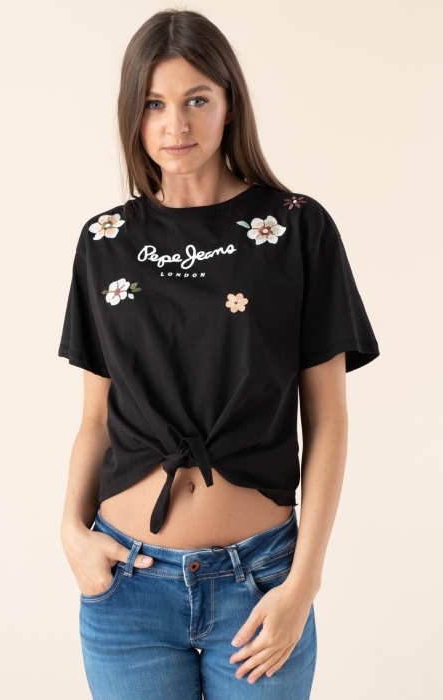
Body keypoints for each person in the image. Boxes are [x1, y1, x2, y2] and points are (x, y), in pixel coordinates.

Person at [58, 9, 380, 700]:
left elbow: (328, 420)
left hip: (259, 587)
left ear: (230, 104)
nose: (175, 124)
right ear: (132, 114)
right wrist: (69, 533)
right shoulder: (104, 241)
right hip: (126, 590)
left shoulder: (295, 229)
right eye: (154, 104)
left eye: (196, 100)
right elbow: (95, 419)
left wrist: (303, 584)